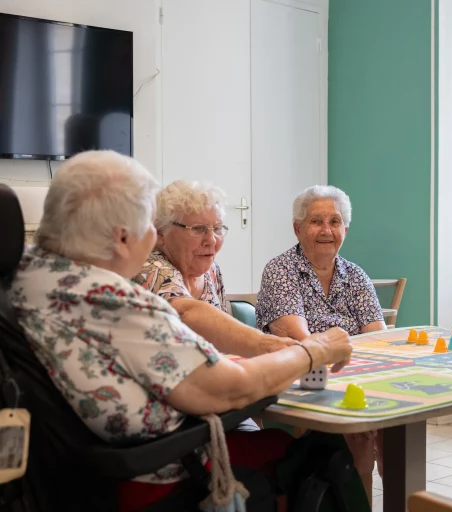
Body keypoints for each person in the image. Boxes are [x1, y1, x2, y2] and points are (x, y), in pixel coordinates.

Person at [11, 150, 356, 511]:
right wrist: (313, 351)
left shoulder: (30, 275)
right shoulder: (112, 300)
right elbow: (228, 386)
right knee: (325, 453)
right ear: (122, 237)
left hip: (82, 472)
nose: (154, 235)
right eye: (150, 224)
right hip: (163, 473)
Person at [255, 185, 387, 501]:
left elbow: (378, 337)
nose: (327, 230)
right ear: (297, 228)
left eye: (335, 221)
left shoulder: (354, 274)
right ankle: (353, 500)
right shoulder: (281, 270)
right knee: (356, 433)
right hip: (303, 382)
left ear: (345, 229)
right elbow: (302, 340)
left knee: (396, 429)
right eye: (316, 221)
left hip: (354, 377)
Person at [133, 180, 295, 358]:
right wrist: (265, 343)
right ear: (161, 233)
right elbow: (186, 312)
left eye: (217, 228)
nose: (211, 240)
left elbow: (222, 342)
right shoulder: (150, 267)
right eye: (198, 229)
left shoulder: (211, 271)